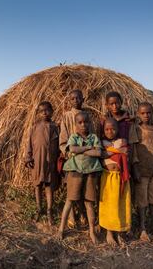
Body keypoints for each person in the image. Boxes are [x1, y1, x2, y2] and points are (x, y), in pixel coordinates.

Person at [58, 111, 103, 244]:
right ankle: (61, 228)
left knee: (89, 202)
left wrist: (82, 148)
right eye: (80, 122)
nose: (83, 125)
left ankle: (91, 231)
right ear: (76, 124)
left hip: (90, 173)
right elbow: (72, 149)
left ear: (89, 123)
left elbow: (98, 152)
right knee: (70, 200)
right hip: (75, 172)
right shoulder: (74, 137)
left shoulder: (94, 137)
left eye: (86, 122)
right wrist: (89, 148)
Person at [130, 102, 153, 241]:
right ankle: (142, 228)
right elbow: (133, 150)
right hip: (141, 171)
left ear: (152, 113)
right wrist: (135, 168)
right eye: (143, 113)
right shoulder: (136, 129)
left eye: (148, 113)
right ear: (139, 114)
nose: (146, 115)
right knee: (142, 200)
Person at [25, 101, 60, 225]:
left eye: (47, 110)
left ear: (52, 111)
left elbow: (59, 145)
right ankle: (39, 209)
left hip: (50, 161)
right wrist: (28, 157)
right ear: (38, 113)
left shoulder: (55, 127)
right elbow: (29, 144)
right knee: (37, 185)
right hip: (37, 161)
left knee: (49, 186)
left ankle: (50, 210)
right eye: (41, 111)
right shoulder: (34, 127)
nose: (44, 113)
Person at [59, 89, 89, 229]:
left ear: (83, 99)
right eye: (72, 98)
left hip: (86, 158)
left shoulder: (87, 116)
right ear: (69, 101)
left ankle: (82, 213)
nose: (75, 100)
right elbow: (63, 139)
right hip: (71, 157)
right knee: (71, 188)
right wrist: (67, 152)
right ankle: (71, 216)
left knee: (84, 187)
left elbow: (92, 135)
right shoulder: (66, 116)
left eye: (78, 98)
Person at [99, 118, 131, 247]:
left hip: (120, 177)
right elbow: (101, 154)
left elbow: (126, 153)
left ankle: (119, 231)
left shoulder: (122, 141)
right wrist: (117, 151)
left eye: (113, 129)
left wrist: (111, 151)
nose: (110, 131)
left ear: (118, 130)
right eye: (106, 129)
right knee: (108, 205)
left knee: (121, 205)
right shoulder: (101, 142)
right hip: (107, 178)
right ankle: (109, 232)